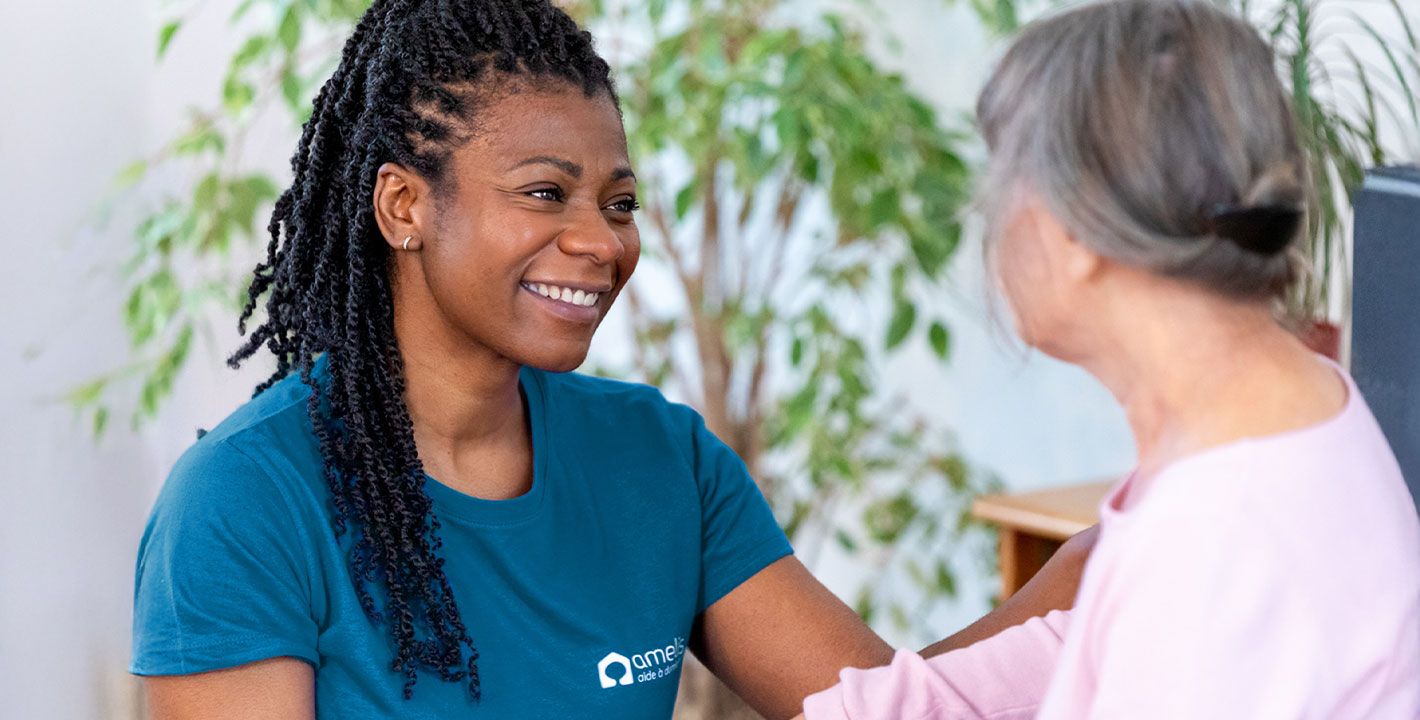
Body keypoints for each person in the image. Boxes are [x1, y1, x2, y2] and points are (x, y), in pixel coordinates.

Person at [129, 1, 1089, 717]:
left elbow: (887, 711)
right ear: (404, 207)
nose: (602, 242)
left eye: (619, 203)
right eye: (546, 193)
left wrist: (1123, 549)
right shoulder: (245, 504)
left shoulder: (660, 460)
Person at [800, 0, 1420, 717]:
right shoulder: (1290, 410)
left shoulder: (1222, 534)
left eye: (1001, 179)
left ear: (1072, 226)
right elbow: (1100, 645)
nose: (987, 215)